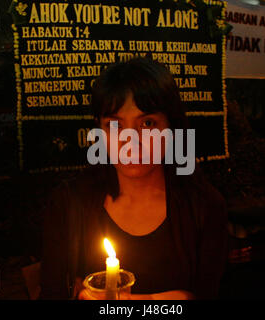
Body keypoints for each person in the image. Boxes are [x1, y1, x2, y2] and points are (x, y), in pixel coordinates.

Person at [40, 58, 228, 300]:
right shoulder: (68, 203)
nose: (130, 142)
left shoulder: (204, 206)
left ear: (171, 128)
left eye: (147, 123)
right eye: (115, 125)